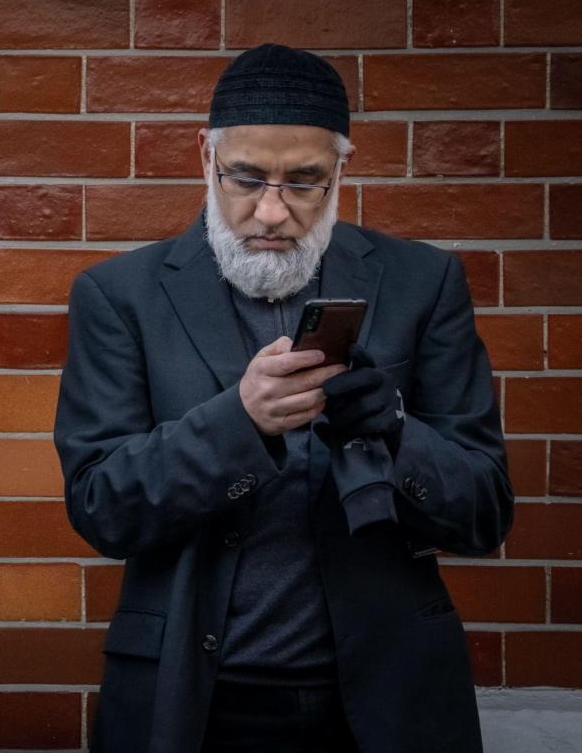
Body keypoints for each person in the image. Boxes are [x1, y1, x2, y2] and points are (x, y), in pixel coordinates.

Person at [54, 43, 512, 753]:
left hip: (386, 699)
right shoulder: (120, 296)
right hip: (194, 699)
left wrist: (393, 428)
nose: (271, 211)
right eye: (245, 178)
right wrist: (240, 423)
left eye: (304, 183)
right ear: (204, 158)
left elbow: (486, 514)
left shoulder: (424, 283)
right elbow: (101, 509)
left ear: (342, 170)